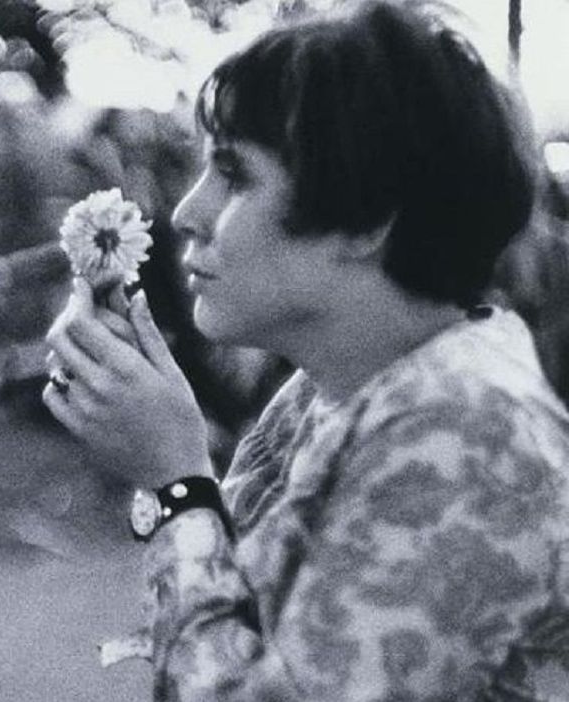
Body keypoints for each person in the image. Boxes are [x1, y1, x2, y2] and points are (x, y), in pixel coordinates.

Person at [43, 2, 569, 699]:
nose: (185, 213)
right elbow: (240, 618)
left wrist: (175, 482)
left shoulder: (469, 430)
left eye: (234, 173)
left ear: (368, 217)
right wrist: (161, 459)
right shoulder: (339, 390)